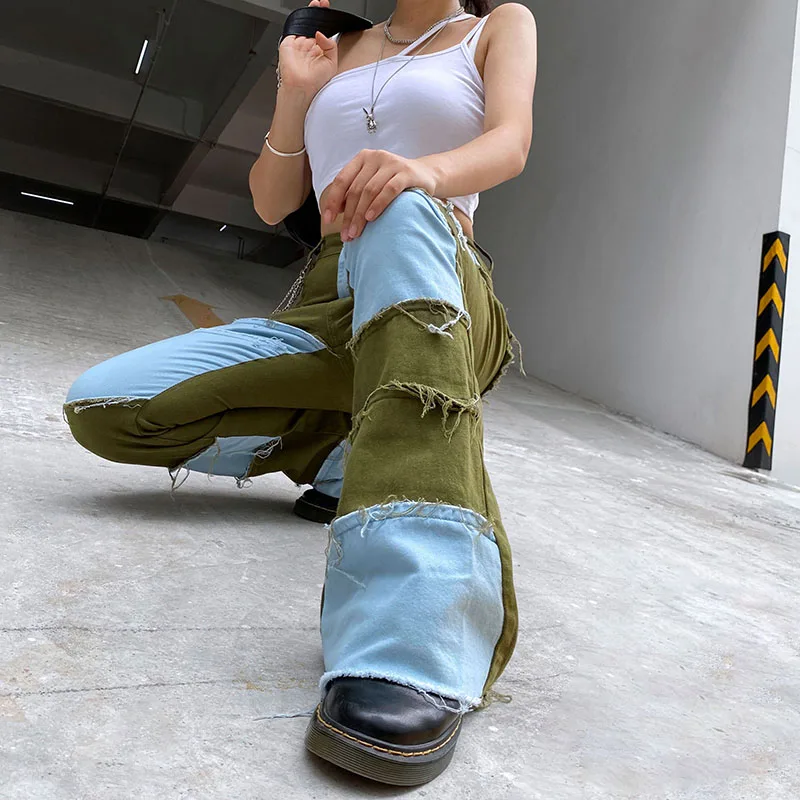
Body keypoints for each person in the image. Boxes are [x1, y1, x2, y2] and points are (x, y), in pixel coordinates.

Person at [64, 0, 537, 786]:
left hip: (438, 268)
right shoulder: (331, 43)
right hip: (327, 289)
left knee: (401, 208)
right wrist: (295, 93)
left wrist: (421, 172)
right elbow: (271, 201)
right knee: (105, 406)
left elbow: (510, 142)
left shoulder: (497, 25)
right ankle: (341, 455)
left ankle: (412, 638)